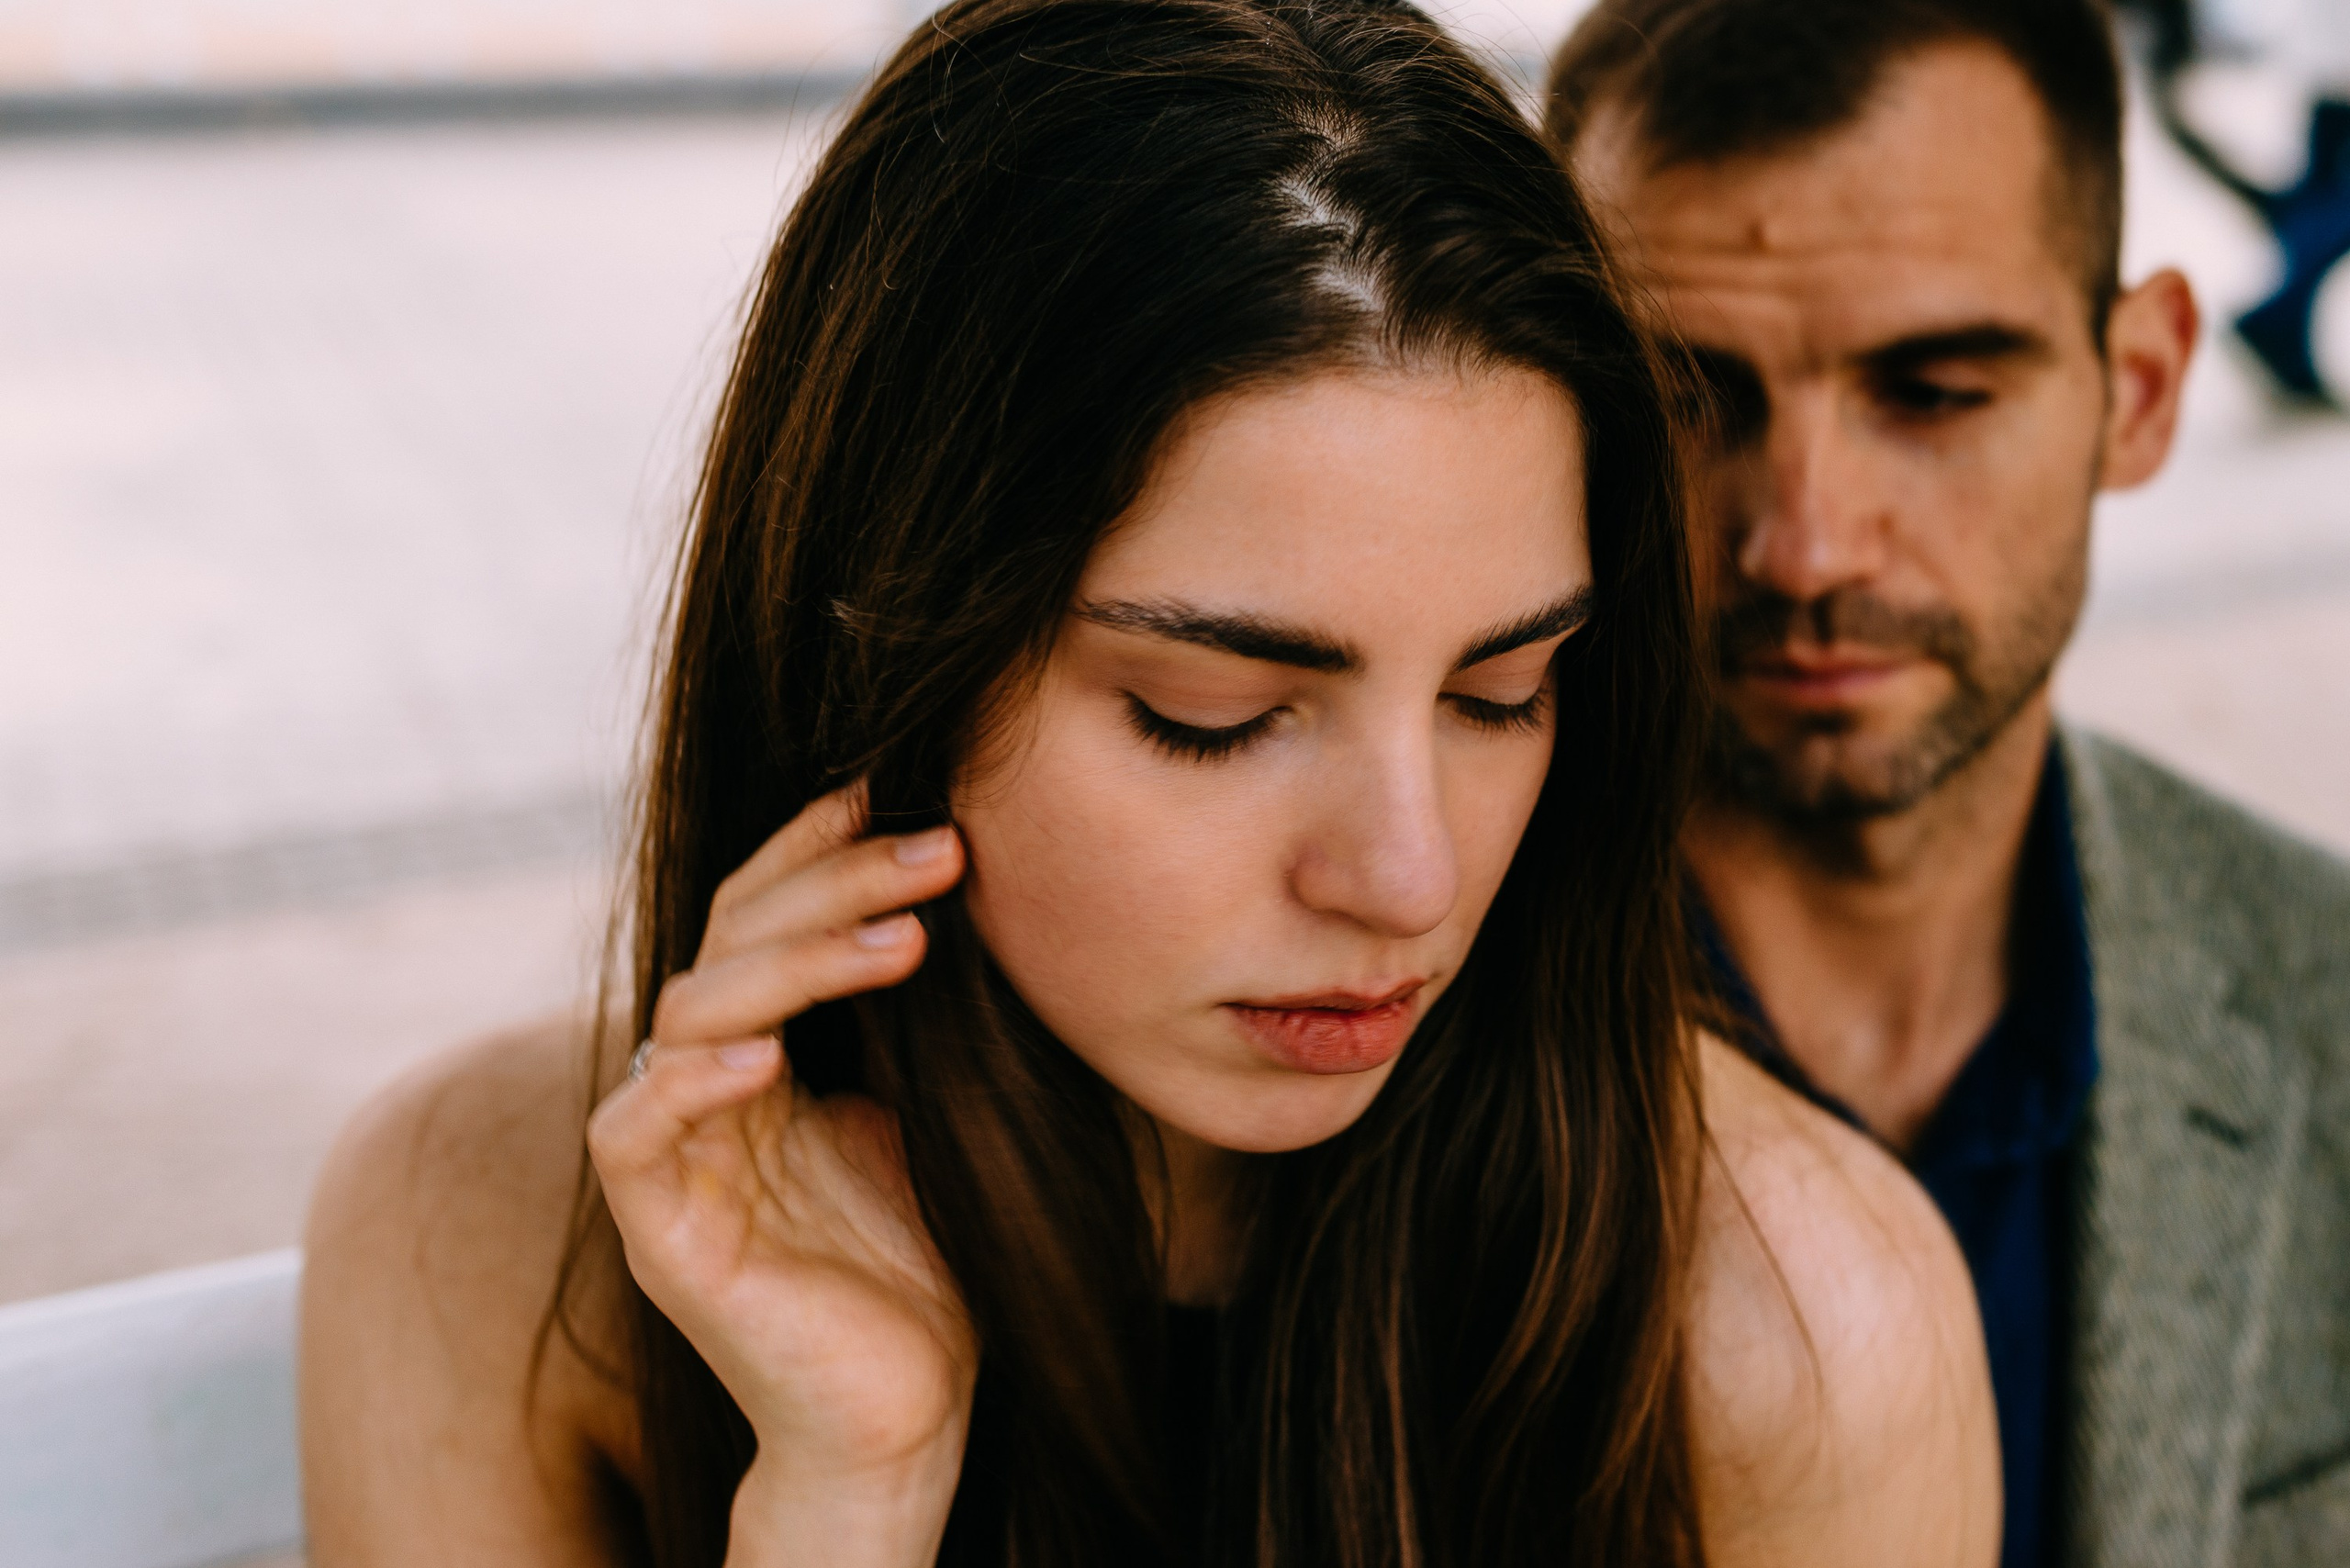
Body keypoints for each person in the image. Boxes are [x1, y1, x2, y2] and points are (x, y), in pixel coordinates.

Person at [298, 2, 1998, 1563]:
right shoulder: (484, 1231)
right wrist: (848, 1489)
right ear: (877, 661)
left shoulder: (1799, 1321)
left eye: (1500, 696)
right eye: (1213, 715)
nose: (1408, 878)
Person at [1543, 3, 2350, 1565]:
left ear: (2141, 387)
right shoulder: (1360, 1029)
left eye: (1931, 393)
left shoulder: (2326, 1000)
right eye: (1688, 397)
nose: (1806, 544)